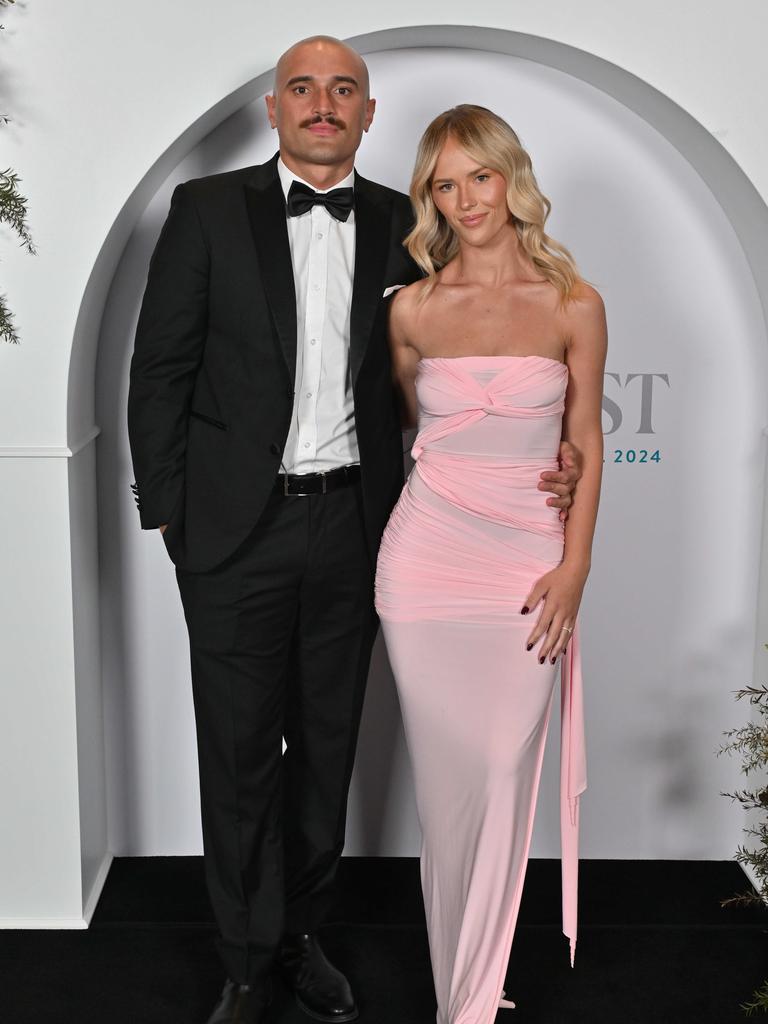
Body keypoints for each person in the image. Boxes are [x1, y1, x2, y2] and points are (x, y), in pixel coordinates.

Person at [127, 37, 581, 1024]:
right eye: (303, 88)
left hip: (361, 530)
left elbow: (476, 351)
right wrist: (169, 510)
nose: (322, 103)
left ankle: (299, 936)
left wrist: (543, 449)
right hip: (231, 537)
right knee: (240, 751)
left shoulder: (401, 226)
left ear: (369, 115)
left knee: (326, 748)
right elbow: (158, 368)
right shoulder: (207, 211)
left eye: (344, 90)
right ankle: (247, 963)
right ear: (273, 108)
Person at [375, 104, 606, 1024]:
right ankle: (463, 998)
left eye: (480, 175)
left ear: (512, 177)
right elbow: (409, 434)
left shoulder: (574, 304)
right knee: (448, 798)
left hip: (527, 570)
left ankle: (470, 988)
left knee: (505, 774)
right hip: (425, 566)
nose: (466, 198)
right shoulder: (411, 309)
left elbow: (584, 441)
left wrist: (575, 567)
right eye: (444, 182)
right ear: (429, 197)